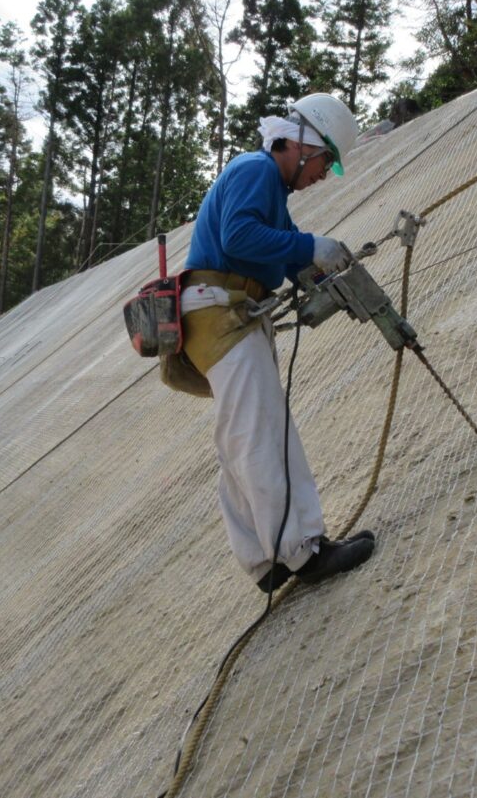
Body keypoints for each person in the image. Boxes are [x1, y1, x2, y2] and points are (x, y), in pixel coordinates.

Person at [180, 93, 376, 595]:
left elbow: (286, 255)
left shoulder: (273, 195)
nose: (320, 175)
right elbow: (241, 236)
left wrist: (317, 261)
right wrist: (312, 245)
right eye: (324, 162)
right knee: (263, 433)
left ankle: (264, 559)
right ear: (302, 143)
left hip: (219, 318)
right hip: (222, 316)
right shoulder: (255, 170)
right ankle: (302, 551)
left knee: (240, 437)